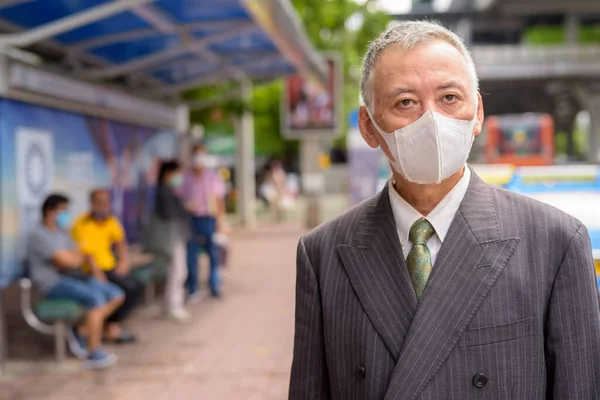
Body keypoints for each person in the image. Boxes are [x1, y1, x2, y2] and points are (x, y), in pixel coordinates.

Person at [289, 21, 600, 399]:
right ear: (369, 126)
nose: (431, 120)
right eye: (405, 102)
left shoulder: (554, 242)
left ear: (478, 113)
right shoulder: (323, 254)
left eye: (450, 97)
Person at [27, 194, 123, 370]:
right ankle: (93, 352)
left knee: (116, 294)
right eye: (63, 211)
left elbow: (79, 256)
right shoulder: (38, 235)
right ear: (50, 211)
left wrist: (75, 259)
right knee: (96, 299)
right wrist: (74, 259)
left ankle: (82, 329)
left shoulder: (63, 233)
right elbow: (65, 261)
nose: (66, 215)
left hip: (71, 278)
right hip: (52, 285)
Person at [71, 189, 142, 343]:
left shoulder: (111, 221)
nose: (102, 205)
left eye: (105, 202)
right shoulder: (81, 223)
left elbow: (120, 243)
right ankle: (97, 328)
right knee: (119, 292)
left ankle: (108, 324)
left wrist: (124, 261)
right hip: (89, 270)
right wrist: (96, 272)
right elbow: (85, 253)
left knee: (135, 286)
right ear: (92, 203)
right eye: (99, 202)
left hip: (109, 266)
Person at [180, 144, 226, 300]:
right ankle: (193, 288)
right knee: (191, 255)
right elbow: (180, 197)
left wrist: (220, 221)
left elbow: (219, 200)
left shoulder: (212, 177)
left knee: (214, 254)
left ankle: (214, 285)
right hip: (192, 220)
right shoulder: (186, 177)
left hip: (209, 219)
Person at [154, 160, 190, 321]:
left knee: (178, 271)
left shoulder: (168, 190)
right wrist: (185, 208)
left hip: (175, 236)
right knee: (177, 271)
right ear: (169, 173)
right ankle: (173, 305)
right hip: (171, 237)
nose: (179, 177)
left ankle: (173, 304)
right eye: (177, 173)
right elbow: (168, 214)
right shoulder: (163, 191)